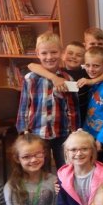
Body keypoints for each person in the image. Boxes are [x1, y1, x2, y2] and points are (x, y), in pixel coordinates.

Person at [17, 31, 79, 169]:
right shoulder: (30, 79)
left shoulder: (68, 79)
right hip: (37, 133)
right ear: (37, 53)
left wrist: (74, 131)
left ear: (61, 53)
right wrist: (23, 131)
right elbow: (24, 106)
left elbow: (73, 109)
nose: (49, 57)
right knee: (40, 168)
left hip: (62, 133)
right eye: (44, 53)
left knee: (65, 167)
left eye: (54, 52)